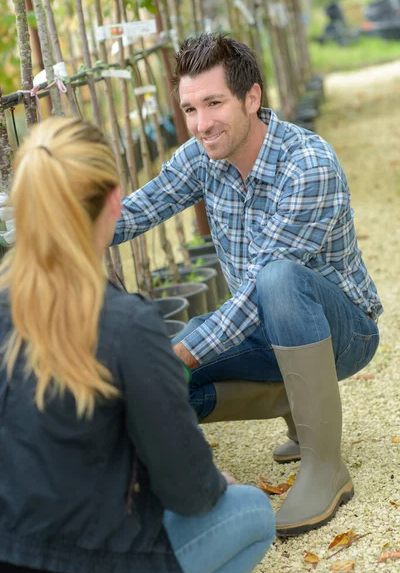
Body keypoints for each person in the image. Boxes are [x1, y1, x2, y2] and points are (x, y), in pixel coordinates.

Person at [111, 32, 383, 536]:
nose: (201, 124)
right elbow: (135, 211)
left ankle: (326, 466)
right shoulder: (202, 156)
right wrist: (54, 220)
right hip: (259, 329)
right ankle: (297, 408)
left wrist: (183, 351)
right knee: (158, 386)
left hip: (342, 332)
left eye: (214, 103)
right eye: (190, 109)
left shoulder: (308, 165)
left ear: (251, 97)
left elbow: (260, 290)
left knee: (277, 281)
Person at [0, 117, 275, 573]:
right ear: (113, 201)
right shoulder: (126, 324)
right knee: (250, 511)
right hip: (91, 567)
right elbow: (187, 491)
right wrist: (213, 484)